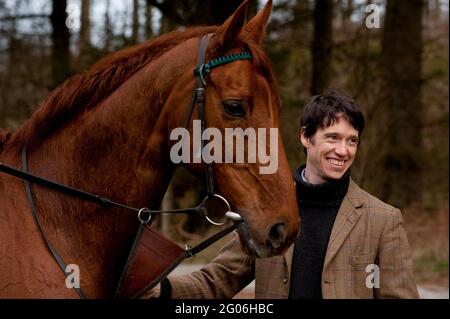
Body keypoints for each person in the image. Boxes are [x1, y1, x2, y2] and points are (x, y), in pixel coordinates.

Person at [147, 89, 419, 299]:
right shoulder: (268, 211)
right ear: (305, 137)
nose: (343, 150)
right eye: (332, 137)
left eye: (352, 141)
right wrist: (155, 291)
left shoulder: (383, 219)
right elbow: (217, 280)